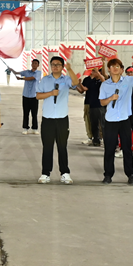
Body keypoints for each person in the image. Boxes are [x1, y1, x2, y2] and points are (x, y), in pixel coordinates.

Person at [99, 58, 133, 185]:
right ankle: (108, 174)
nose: (115, 69)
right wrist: (111, 98)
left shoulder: (128, 81)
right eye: (112, 66)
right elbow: (102, 102)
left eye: (117, 66)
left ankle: (130, 174)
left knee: (127, 148)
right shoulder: (105, 85)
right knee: (109, 149)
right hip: (111, 120)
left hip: (124, 120)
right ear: (109, 69)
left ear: (122, 69)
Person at [35, 57, 79, 185]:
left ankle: (65, 173)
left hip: (62, 118)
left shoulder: (66, 79)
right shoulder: (45, 80)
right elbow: (38, 96)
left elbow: (76, 83)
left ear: (62, 66)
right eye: (53, 64)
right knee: (47, 147)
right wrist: (50, 93)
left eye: (58, 64)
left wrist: (70, 69)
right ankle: (45, 173)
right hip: (48, 118)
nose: (55, 67)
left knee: (62, 146)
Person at [13, 59, 41, 135]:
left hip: (34, 96)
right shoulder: (26, 72)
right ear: (31, 64)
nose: (34, 64)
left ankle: (34, 128)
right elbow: (17, 73)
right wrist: (12, 70)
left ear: (38, 65)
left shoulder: (38, 73)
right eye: (33, 63)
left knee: (34, 113)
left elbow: (32, 78)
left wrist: (21, 78)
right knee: (26, 113)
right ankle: (25, 128)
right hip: (26, 95)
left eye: (36, 63)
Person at [79, 67, 104, 147]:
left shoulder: (102, 81)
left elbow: (104, 81)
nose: (93, 73)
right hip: (92, 105)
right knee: (94, 124)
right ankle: (95, 140)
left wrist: (99, 73)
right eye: (93, 71)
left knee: (102, 124)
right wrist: (79, 83)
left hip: (101, 105)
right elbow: (85, 89)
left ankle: (104, 139)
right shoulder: (91, 81)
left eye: (95, 71)